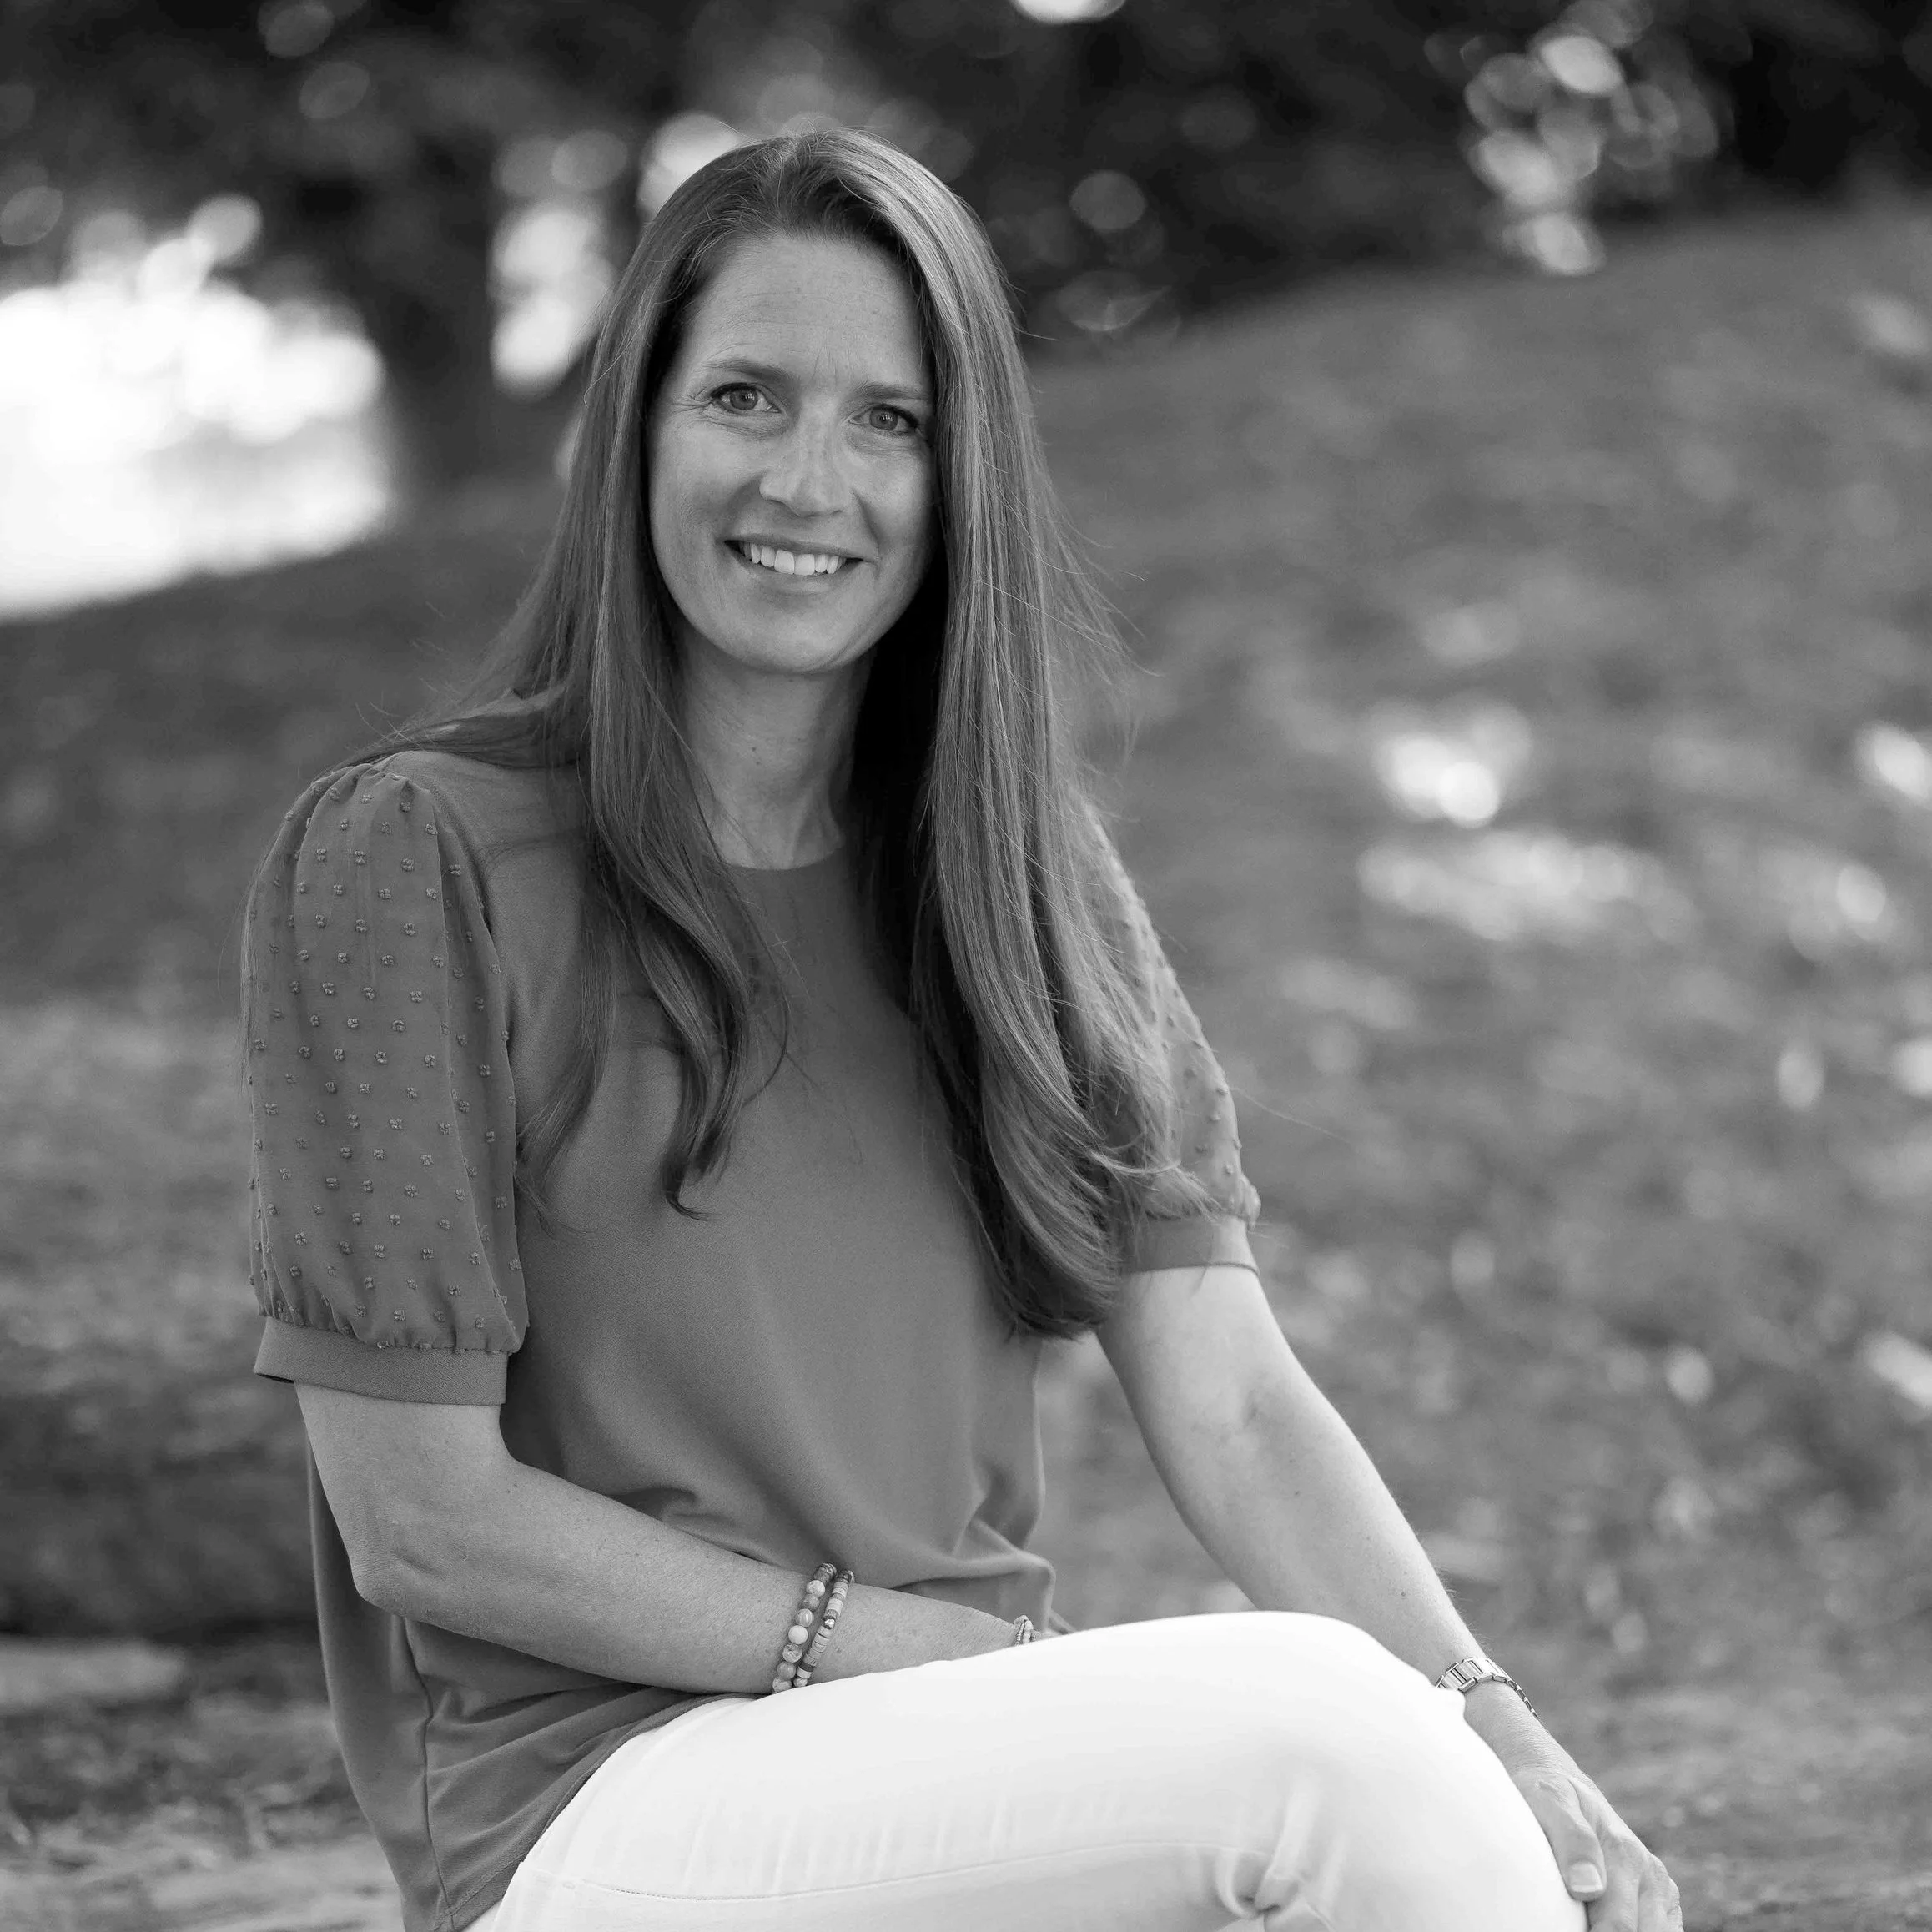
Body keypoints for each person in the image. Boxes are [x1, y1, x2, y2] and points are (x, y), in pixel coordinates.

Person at [240, 129, 1680, 1932]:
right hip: (600, 1818)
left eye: (890, 422)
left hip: (970, 1763)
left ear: (962, 474)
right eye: (745, 398)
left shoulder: (1015, 871)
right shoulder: (417, 857)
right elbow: (424, 1518)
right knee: (1318, 1741)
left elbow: (1229, 1394)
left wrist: (1500, 1732)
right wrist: (874, 1644)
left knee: (1386, 1753)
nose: (809, 478)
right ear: (635, 436)